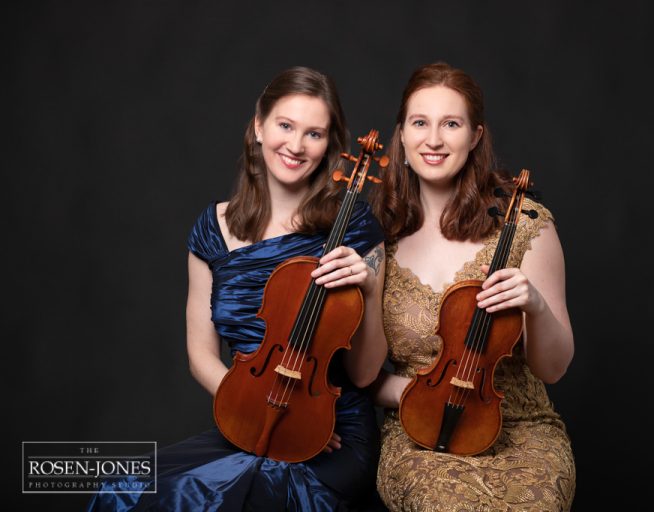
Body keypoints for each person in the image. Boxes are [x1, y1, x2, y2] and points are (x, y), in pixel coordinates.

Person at [88, 66, 387, 511]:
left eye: (314, 134)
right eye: (285, 125)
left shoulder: (356, 228)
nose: (296, 145)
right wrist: (258, 412)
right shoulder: (212, 230)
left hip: (331, 432)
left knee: (238, 496)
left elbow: (364, 375)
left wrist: (367, 289)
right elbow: (201, 357)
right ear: (258, 127)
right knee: (125, 492)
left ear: (329, 146)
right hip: (249, 418)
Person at [369, 62, 576, 511]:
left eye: (452, 124)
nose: (435, 139)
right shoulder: (378, 238)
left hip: (521, 430)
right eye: (420, 123)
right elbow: (358, 377)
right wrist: (425, 395)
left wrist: (536, 306)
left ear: (476, 136)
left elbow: (554, 369)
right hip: (421, 435)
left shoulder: (525, 227)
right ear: (401, 134)